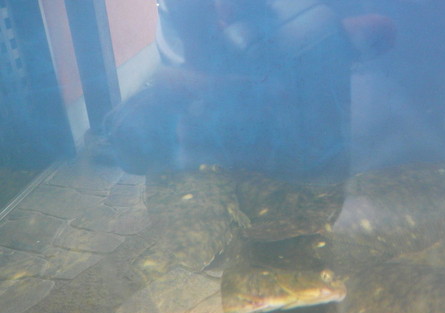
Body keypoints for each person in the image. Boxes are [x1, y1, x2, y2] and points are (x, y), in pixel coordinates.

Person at [103, 0, 395, 181]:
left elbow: (380, 29)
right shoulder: (188, 44)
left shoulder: (307, 27)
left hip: (309, 161)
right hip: (252, 167)